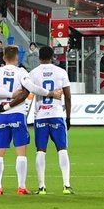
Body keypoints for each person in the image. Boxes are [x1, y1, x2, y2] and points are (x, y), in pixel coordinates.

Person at [0, 45, 61, 195]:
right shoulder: (21, 72)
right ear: (17, 58)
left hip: (2, 114)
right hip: (17, 114)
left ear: (3, 57)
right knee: (21, 153)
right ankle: (21, 187)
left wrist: (8, 93)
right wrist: (51, 93)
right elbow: (32, 87)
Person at [28, 46, 74, 195]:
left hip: (41, 115)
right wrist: (68, 117)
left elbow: (28, 94)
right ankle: (66, 185)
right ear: (53, 56)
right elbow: (67, 96)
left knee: (40, 150)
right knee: (62, 149)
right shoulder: (61, 72)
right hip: (56, 114)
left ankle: (41, 187)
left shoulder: (33, 73)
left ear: (39, 57)